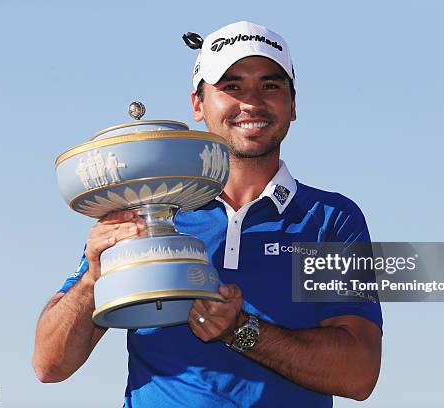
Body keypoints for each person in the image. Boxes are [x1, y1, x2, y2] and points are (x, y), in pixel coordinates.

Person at [33, 21, 382, 407]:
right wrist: (92, 282)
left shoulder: (330, 218)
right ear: (198, 105)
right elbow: (50, 365)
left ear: (293, 105)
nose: (251, 102)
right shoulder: (149, 213)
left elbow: (360, 372)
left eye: (270, 86)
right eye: (231, 87)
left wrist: (239, 330)